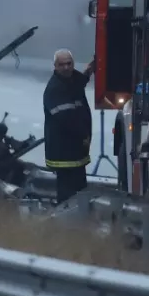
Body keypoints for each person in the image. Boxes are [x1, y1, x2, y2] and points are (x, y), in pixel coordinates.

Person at [43, 49, 94, 203]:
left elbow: (79, 82)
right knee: (68, 193)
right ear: (55, 66)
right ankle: (66, 221)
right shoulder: (55, 89)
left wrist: (90, 70)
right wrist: (83, 135)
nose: (66, 67)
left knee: (79, 188)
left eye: (69, 63)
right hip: (64, 151)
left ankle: (79, 218)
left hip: (76, 151)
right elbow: (67, 120)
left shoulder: (70, 81)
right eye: (61, 64)